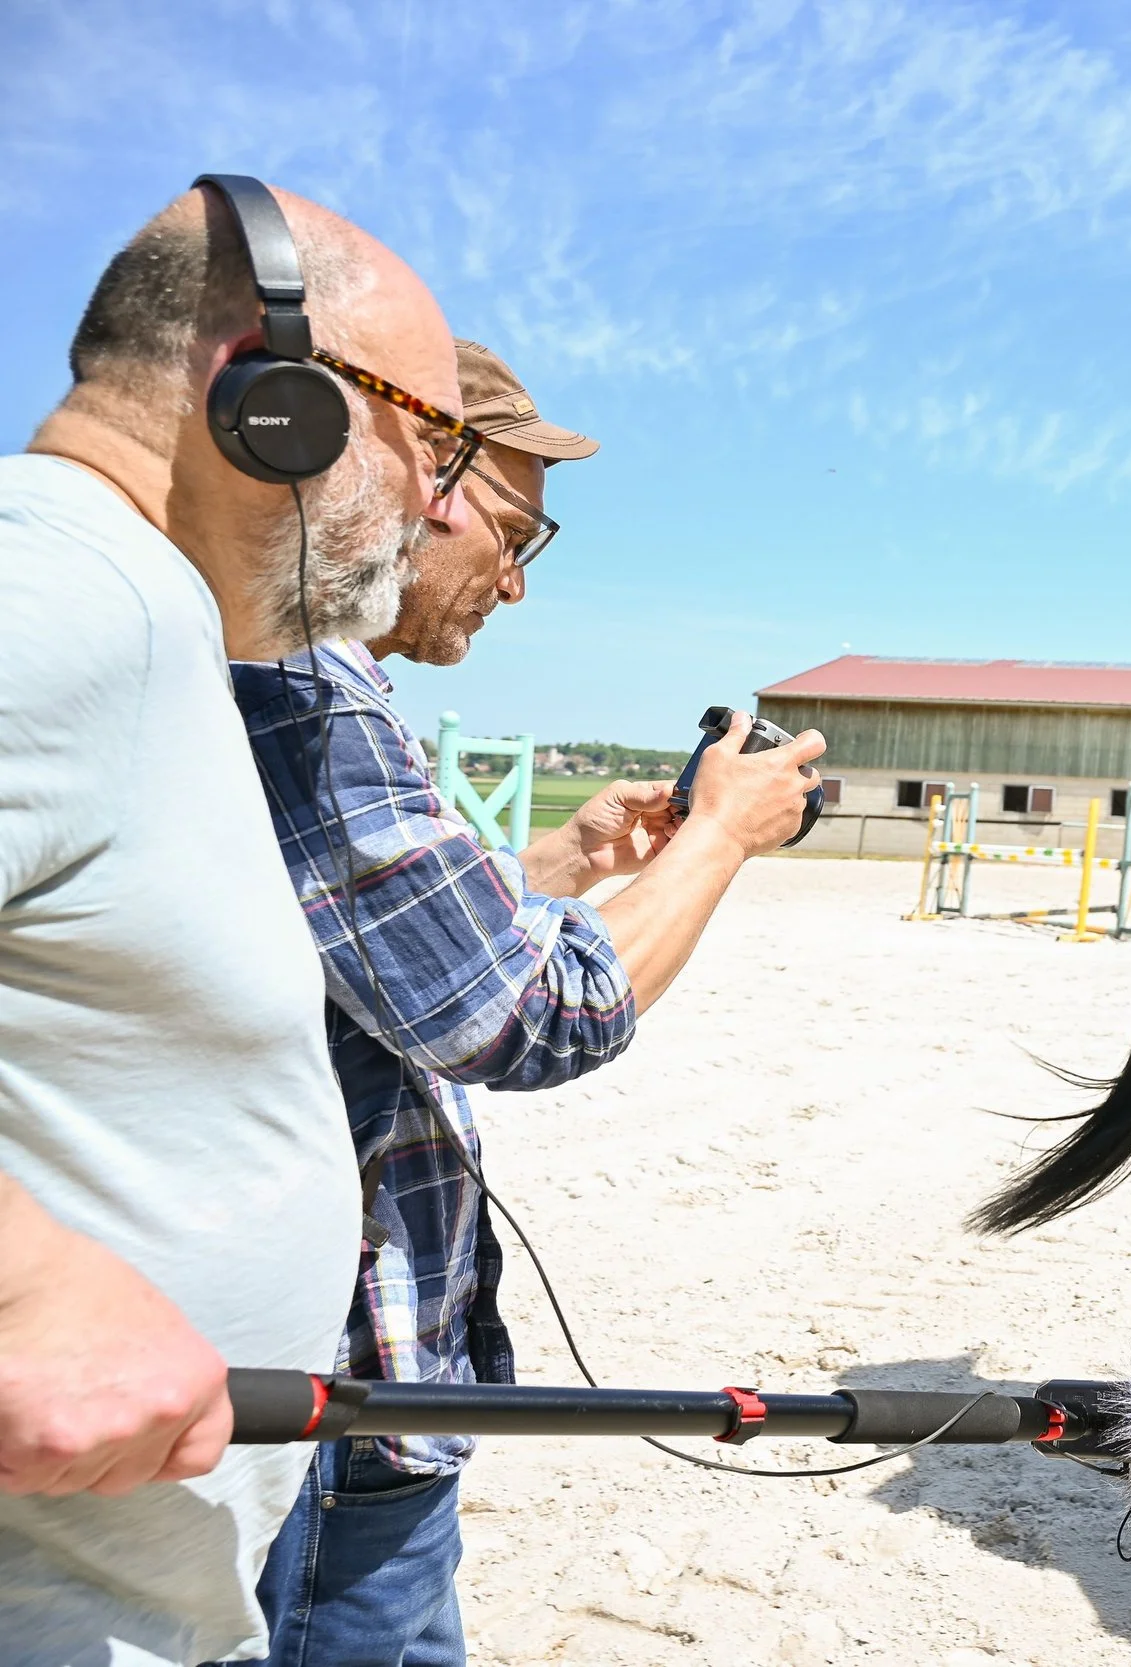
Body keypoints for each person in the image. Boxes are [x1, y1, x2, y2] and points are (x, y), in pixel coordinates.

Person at [225, 339, 824, 1666]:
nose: (512, 581)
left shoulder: (288, 678)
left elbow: (356, 955)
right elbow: (525, 1016)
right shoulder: (304, 693)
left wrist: (556, 869)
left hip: (341, 1390)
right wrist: (720, 836)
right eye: (514, 530)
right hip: (339, 1395)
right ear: (409, 475)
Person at [0, 179, 480, 1665]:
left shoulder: (150, 619)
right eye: (433, 441)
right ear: (270, 398)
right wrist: (23, 1278)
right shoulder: (69, 588)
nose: (444, 506)